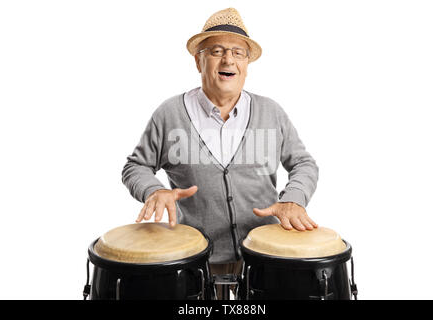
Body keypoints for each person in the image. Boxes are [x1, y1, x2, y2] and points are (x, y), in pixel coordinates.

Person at [121, 8, 319, 299]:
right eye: (216, 51)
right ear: (198, 60)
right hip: (195, 261)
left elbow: (304, 163)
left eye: (238, 53)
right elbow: (135, 166)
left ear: (247, 63)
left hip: (263, 257)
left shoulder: (271, 112)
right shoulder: (170, 114)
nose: (228, 60)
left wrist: (293, 199)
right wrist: (153, 190)